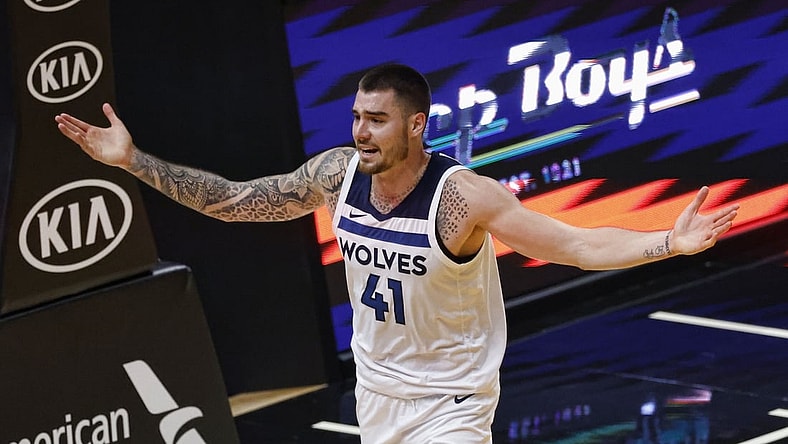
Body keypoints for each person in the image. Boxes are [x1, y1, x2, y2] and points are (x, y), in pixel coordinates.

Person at [55, 63, 738, 443]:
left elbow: (575, 243)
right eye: (355, 116)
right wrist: (132, 161)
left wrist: (666, 243)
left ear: (416, 124)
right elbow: (233, 200)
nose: (360, 132)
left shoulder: (463, 199)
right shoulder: (336, 175)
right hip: (378, 400)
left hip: (452, 405)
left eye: (376, 119)